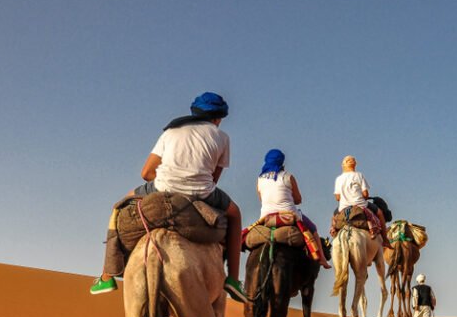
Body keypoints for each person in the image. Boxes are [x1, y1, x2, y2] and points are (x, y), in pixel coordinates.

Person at [90, 92, 248, 303]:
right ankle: (234, 279)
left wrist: (169, 177)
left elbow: (146, 173)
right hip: (201, 192)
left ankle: (107, 276)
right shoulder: (222, 138)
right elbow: (213, 178)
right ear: (218, 118)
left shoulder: (171, 132)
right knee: (235, 213)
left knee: (117, 207)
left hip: (163, 187)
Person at [256, 149, 331, 268]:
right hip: (289, 214)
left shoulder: (260, 180)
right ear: (282, 163)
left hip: (266, 217)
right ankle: (321, 258)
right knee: (313, 229)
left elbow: (262, 199)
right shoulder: (288, 176)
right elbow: (298, 200)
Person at [333, 156, 393, 249]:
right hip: (361, 204)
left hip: (343, 206)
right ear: (354, 165)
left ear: (343, 166)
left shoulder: (339, 179)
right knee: (380, 213)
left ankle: (334, 233)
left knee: (334, 217)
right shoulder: (359, 175)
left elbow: (337, 197)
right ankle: (385, 240)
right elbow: (365, 194)